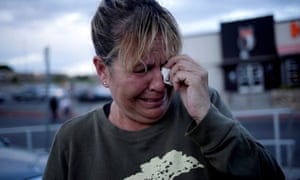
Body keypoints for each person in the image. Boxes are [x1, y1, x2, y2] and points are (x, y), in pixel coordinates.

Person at [43, 0, 285, 179]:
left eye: (166, 65)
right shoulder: (74, 140)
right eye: (140, 69)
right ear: (103, 70)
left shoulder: (204, 107)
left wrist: (207, 117)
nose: (160, 84)